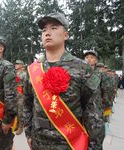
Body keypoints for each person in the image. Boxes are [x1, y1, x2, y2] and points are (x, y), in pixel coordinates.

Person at [23, 12, 101, 150]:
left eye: (53, 28)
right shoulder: (33, 69)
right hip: (38, 142)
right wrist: (28, 133)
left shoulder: (82, 68)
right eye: (44, 30)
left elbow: (93, 111)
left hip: (69, 143)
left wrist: (95, 146)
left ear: (66, 35)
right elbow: (27, 103)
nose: (47, 33)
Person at [84, 50, 109, 149]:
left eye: (92, 57)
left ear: (96, 61)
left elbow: (106, 92)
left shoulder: (101, 75)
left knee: (96, 142)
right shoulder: (79, 73)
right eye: (86, 57)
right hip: (80, 112)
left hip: (95, 114)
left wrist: (104, 109)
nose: (89, 59)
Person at [14, 60, 27, 135]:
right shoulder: (14, 73)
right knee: (15, 109)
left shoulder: (24, 74)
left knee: (20, 110)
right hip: (14, 93)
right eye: (15, 64)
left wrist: (24, 94)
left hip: (21, 94)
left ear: (22, 65)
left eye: (18, 64)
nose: (16, 65)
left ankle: (21, 126)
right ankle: (16, 124)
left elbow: (25, 85)